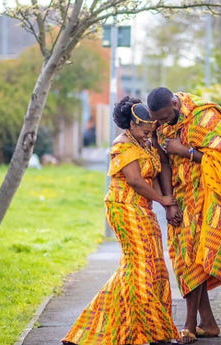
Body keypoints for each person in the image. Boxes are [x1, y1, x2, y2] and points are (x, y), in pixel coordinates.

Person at [62, 96, 180, 345]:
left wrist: (165, 198)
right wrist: (163, 201)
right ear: (131, 125)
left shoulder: (145, 143)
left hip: (143, 208)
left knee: (153, 266)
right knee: (141, 266)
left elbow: (156, 172)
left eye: (151, 131)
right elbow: (136, 181)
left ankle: (93, 331)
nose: (149, 135)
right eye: (145, 131)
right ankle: (157, 332)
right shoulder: (122, 145)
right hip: (124, 207)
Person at [147, 87, 221, 343]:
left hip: (211, 198)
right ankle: (208, 323)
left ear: (174, 102)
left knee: (200, 257)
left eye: (164, 117)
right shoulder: (159, 124)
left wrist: (185, 151)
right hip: (183, 200)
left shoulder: (206, 117)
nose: (160, 123)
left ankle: (189, 324)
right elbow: (163, 162)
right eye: (157, 119)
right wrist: (169, 203)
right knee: (185, 258)